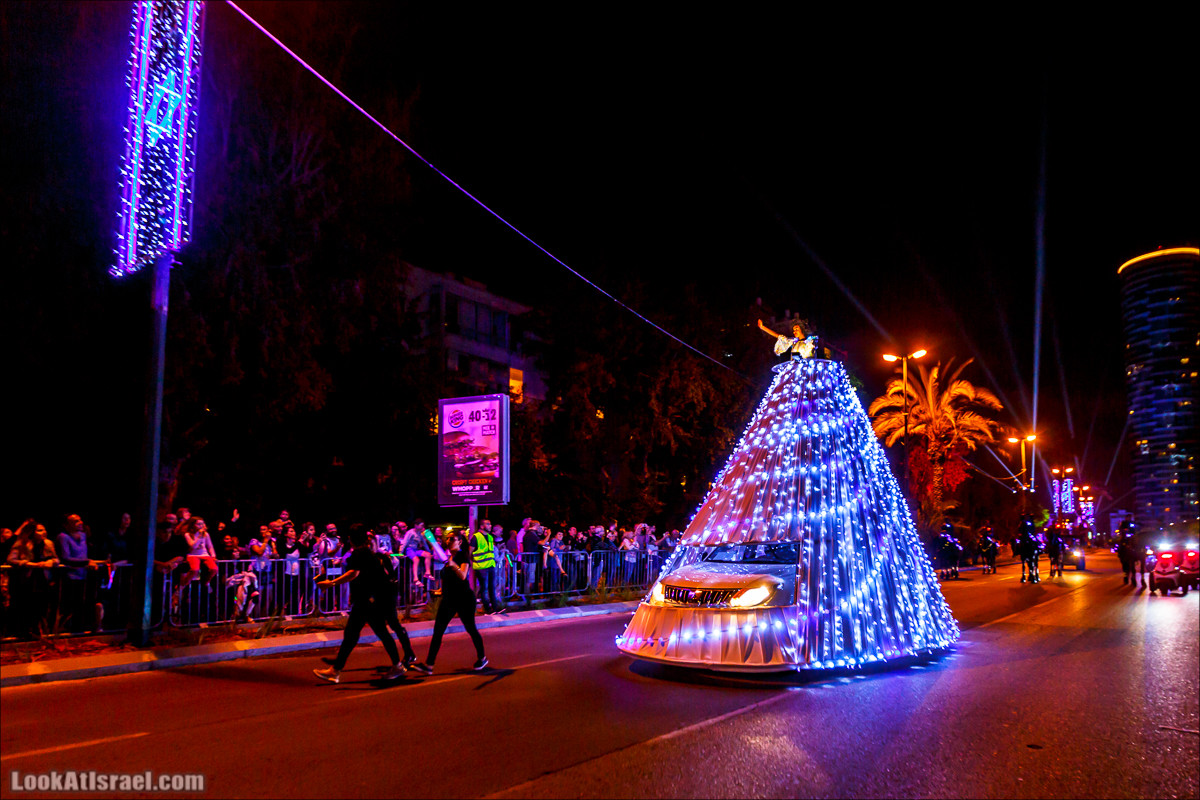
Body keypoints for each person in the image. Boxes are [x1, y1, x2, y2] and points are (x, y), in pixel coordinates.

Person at [313, 526, 406, 684]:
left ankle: (335, 671)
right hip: (372, 598)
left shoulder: (359, 553)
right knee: (361, 634)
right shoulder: (367, 552)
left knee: (355, 635)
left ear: (351, 538)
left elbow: (353, 573)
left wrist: (331, 583)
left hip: (367, 600)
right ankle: (336, 670)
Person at [409, 536, 488, 675]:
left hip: (464, 598)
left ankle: (482, 658)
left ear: (460, 542)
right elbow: (449, 580)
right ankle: (429, 665)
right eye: (448, 539)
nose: (449, 541)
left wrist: (453, 565)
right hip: (449, 599)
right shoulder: (448, 559)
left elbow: (463, 576)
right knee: (438, 631)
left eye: (453, 539)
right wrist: (440, 591)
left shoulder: (462, 556)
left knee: (471, 628)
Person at [6, 519, 58, 640]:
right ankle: (24, 633)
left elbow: (57, 559)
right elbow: (11, 559)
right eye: (40, 530)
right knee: (26, 606)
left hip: (43, 579)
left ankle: (39, 632)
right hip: (27, 579)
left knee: (41, 606)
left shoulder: (48, 543)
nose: (43, 532)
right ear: (32, 532)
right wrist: (27, 564)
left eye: (44, 529)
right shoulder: (22, 544)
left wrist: (51, 562)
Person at [470, 522, 503, 615]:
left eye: (490, 524)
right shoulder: (476, 537)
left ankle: (495, 608)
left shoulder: (490, 537)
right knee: (484, 589)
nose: (490, 525)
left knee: (492, 588)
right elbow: (470, 552)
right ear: (481, 526)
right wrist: (474, 562)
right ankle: (488, 610)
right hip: (481, 567)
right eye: (487, 524)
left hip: (490, 565)